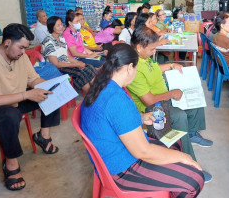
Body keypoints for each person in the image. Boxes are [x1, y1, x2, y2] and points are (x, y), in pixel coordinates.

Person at [81, 43, 204, 197]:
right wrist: (183, 157)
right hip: (123, 168)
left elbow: (111, 119)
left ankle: (173, 181)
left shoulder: (103, 86)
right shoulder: (116, 99)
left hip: (116, 150)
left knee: (175, 143)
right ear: (129, 68)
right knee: (195, 179)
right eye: (136, 67)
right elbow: (142, 151)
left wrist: (139, 117)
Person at [0, 23, 60, 191]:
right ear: (7, 43)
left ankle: (43, 136)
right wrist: (26, 95)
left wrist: (52, 86)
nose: (24, 52)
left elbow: (33, 80)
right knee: (10, 115)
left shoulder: (19, 57)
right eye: (21, 48)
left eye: (26, 48)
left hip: (11, 101)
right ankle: (11, 164)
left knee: (50, 94)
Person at [127, 27, 213, 182]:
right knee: (178, 116)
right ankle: (190, 165)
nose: (154, 52)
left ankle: (191, 134)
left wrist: (172, 65)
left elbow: (154, 69)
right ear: (139, 47)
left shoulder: (145, 58)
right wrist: (171, 93)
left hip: (163, 97)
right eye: (152, 49)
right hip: (151, 108)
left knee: (194, 97)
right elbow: (148, 101)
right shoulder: (134, 67)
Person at [42, 16, 97, 95]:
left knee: (89, 67)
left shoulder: (61, 38)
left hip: (67, 64)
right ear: (52, 27)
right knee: (81, 73)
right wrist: (76, 64)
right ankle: (91, 96)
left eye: (61, 24)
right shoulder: (48, 41)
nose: (61, 27)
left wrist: (78, 63)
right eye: (58, 25)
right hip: (58, 69)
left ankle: (96, 92)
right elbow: (56, 64)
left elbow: (67, 56)